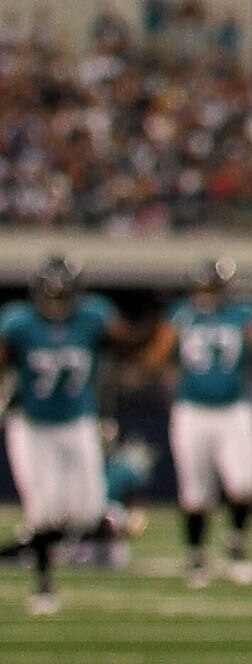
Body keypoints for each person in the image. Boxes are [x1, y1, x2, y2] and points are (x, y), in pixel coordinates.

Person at [0, 256, 145, 615]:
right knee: (44, 510)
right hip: (32, 424)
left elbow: (126, 341)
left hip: (77, 420)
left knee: (87, 510)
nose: (57, 303)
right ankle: (44, 585)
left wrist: (146, 332)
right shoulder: (18, 322)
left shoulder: (94, 315)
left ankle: (22, 550)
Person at [140, 256, 252, 587]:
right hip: (192, 409)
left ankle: (235, 542)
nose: (206, 293)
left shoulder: (243, 315)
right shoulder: (181, 315)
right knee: (195, 489)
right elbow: (157, 356)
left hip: (234, 408)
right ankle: (196, 555)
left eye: (212, 287)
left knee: (246, 483)